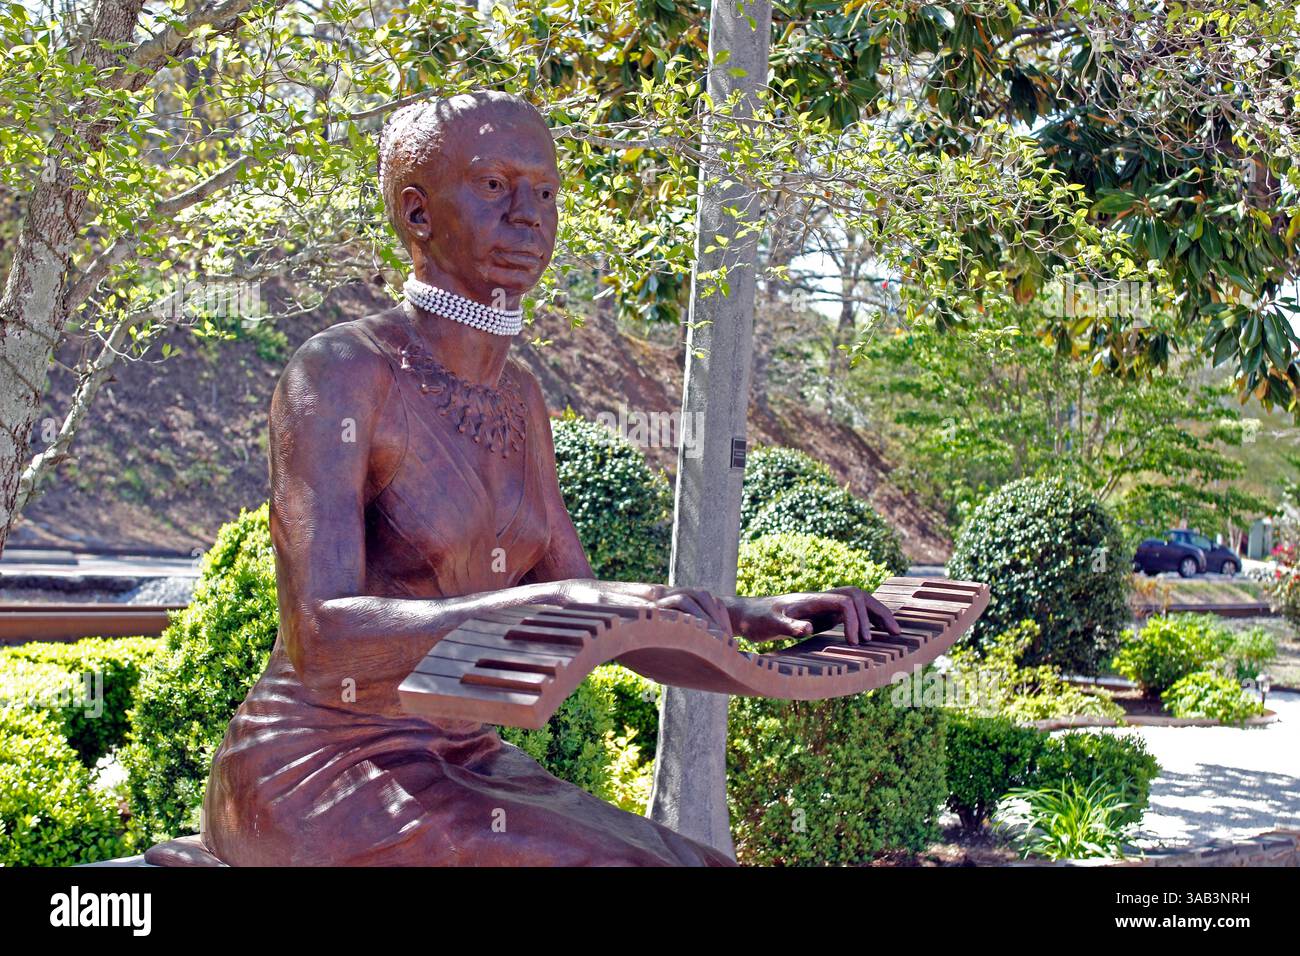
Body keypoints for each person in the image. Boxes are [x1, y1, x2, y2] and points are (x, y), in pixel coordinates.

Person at [195, 90, 901, 866]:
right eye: (494, 186)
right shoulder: (340, 373)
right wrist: (548, 603)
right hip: (320, 769)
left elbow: (596, 614)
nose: (529, 214)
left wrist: (747, 621)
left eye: (546, 191)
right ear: (417, 214)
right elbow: (323, 638)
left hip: (462, 757)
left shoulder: (520, 394)